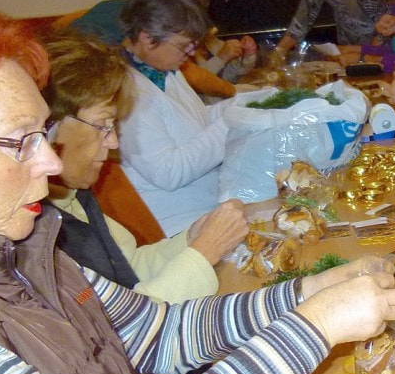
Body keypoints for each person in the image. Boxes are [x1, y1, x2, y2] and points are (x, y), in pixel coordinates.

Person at [0, 8, 395, 374]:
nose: (51, 162)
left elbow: (159, 332)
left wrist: (307, 293)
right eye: (20, 141)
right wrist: (314, 328)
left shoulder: (25, 251)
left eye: (43, 133)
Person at [42, 35, 249, 303]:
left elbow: (129, 267)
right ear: (49, 127)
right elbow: (124, 319)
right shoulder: (37, 234)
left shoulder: (72, 198)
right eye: (102, 125)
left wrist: (190, 239)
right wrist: (204, 251)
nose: (114, 142)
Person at [115, 0, 236, 235]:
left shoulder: (164, 68)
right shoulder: (126, 91)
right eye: (183, 46)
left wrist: (236, 107)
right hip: (177, 226)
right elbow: (168, 172)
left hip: (209, 205)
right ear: (147, 38)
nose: (190, 54)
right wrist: (231, 121)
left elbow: (194, 121)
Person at [69, 0, 257, 84]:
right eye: (193, 1)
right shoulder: (144, 33)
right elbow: (195, 78)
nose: (198, 10)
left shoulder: (171, 33)